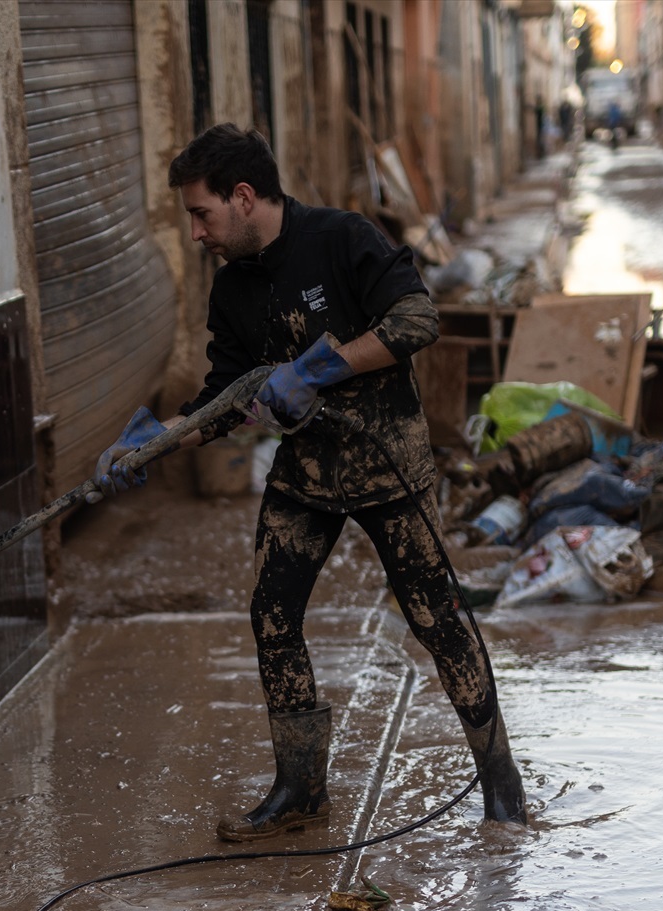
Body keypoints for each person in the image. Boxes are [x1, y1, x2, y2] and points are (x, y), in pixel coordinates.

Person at [93, 124, 526, 839]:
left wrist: (317, 368)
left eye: (200, 214)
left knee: (435, 621)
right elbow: (227, 395)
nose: (196, 233)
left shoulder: (340, 237)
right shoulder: (232, 288)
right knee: (271, 611)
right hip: (306, 473)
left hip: (388, 464)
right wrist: (159, 441)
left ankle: (499, 777)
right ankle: (300, 787)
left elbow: (419, 318)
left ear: (242, 197)